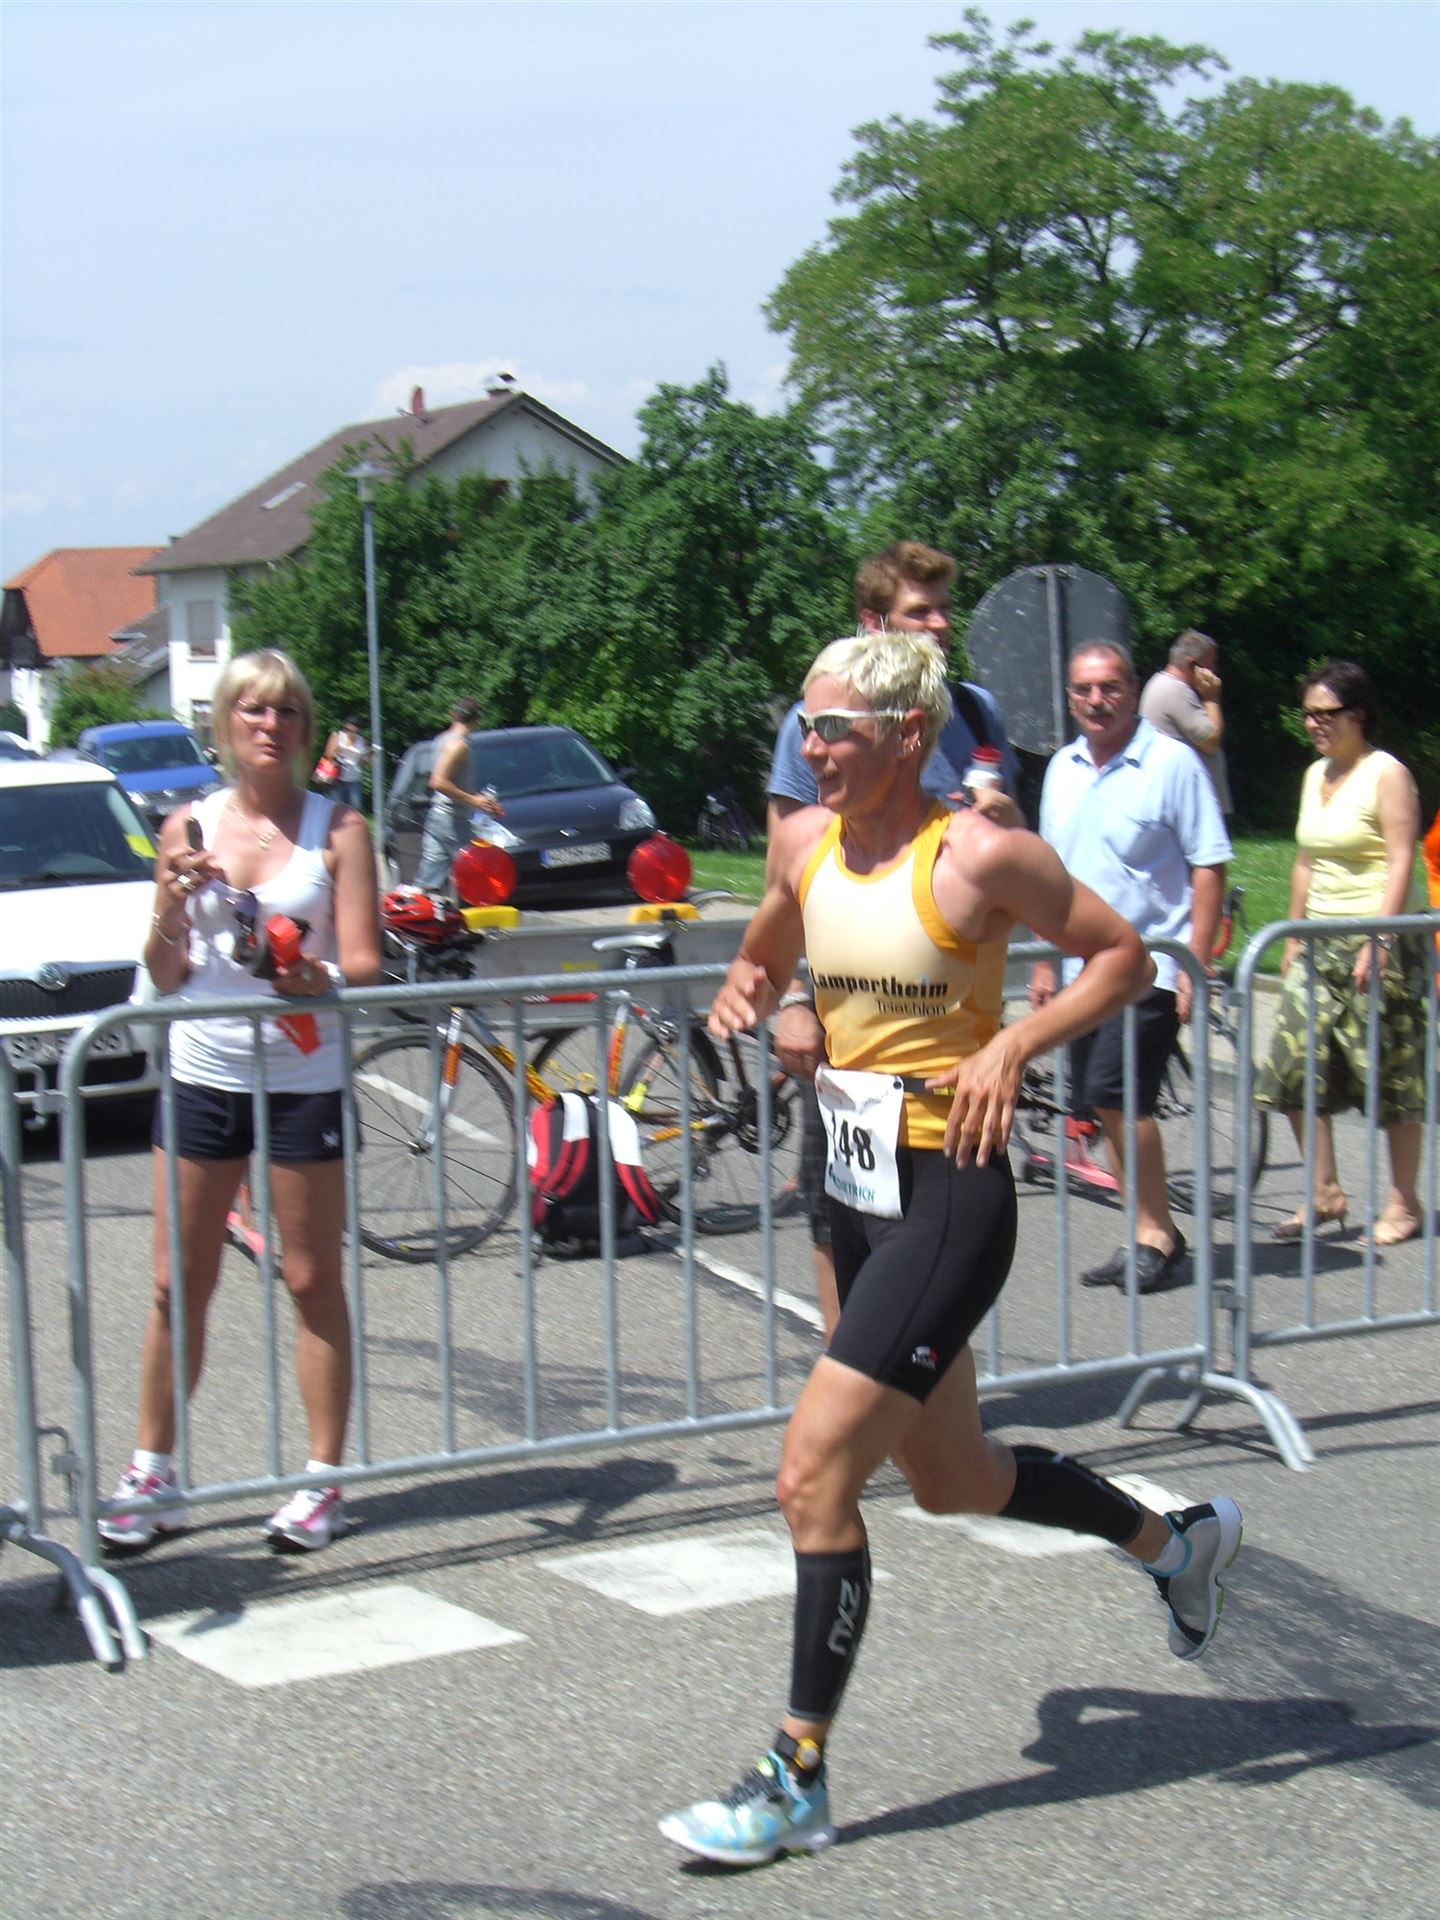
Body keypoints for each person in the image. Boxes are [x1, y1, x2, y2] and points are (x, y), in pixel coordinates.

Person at [659, 630, 1243, 1867]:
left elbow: (1124, 957)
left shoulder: (979, 854)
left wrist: (1012, 1046)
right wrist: (773, 998)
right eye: (805, 725)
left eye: (837, 729)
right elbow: (770, 941)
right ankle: (1176, 1542)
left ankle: (794, 1776)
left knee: (812, 1474)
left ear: (908, 735)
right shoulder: (805, 843)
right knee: (953, 1478)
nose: (812, 748)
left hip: (949, 1193)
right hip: (851, 1187)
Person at [98, 648, 383, 1555]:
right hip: (204, 1070)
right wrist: (170, 902)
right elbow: (165, 970)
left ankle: (321, 1481)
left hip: (303, 1076)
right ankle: (153, 1473)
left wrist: (316, 977)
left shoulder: (341, 828)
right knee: (177, 1281)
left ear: (305, 729)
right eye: (253, 710)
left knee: (311, 1279)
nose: (270, 725)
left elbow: (365, 964)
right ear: (225, 724)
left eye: (287, 711)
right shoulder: (187, 825)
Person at [766, 541, 1021, 1341]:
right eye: (921, 611)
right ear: (874, 623)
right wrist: (796, 999)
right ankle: (850, 1363)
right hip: (849, 1024)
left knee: (930, 1273)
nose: (941, 624)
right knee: (838, 1210)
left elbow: (1017, 856)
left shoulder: (973, 712)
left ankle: (881, 1378)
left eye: (946, 609)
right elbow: (794, 876)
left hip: (945, 1028)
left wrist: (1003, 823)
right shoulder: (826, 717)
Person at [1032, 641, 1232, 1293]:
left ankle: (1158, 1235)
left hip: (1148, 967)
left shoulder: (1172, 763)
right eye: (1084, 689)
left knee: (1120, 1097)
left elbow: (1209, 864)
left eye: (1111, 687)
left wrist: (1194, 964)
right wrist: (1043, 963)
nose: (1098, 700)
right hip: (1078, 971)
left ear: (1132, 689)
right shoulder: (1061, 769)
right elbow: (1049, 876)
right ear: (1069, 697)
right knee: (1101, 1103)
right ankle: (1144, 1231)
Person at [1255, 660, 1426, 1245]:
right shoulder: (1314, 775)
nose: (1314, 724)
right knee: (1289, 1068)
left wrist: (1381, 937)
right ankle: (1324, 1191)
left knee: (1391, 1075)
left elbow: (1401, 858)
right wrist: (1292, 933)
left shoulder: (1387, 774)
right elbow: (1305, 860)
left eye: (1327, 713)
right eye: (1308, 714)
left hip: (1381, 939)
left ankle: (1404, 1203)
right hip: (1320, 942)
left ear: (1359, 714)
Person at [414, 697, 505, 896]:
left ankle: (419, 909)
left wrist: (481, 801)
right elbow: (438, 781)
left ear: (453, 715)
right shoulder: (457, 745)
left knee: (428, 880)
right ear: (477, 720)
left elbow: (451, 782)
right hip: (452, 818)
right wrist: (473, 800)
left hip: (437, 816)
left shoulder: (441, 740)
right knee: (479, 872)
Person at [1139, 629, 1233, 815]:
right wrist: (1211, 699)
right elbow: (1210, 741)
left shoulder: (1162, 684)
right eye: (1212, 664)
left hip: (1183, 802)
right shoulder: (1175, 690)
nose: (1215, 671)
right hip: (1189, 806)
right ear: (1192, 664)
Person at [322, 713, 367, 813]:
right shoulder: (337, 736)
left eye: (353, 730)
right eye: (347, 729)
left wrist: (367, 757)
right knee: (335, 807)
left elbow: (363, 763)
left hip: (354, 778)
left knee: (355, 808)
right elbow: (328, 754)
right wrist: (337, 751)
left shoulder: (361, 741)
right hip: (337, 777)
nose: (349, 732)